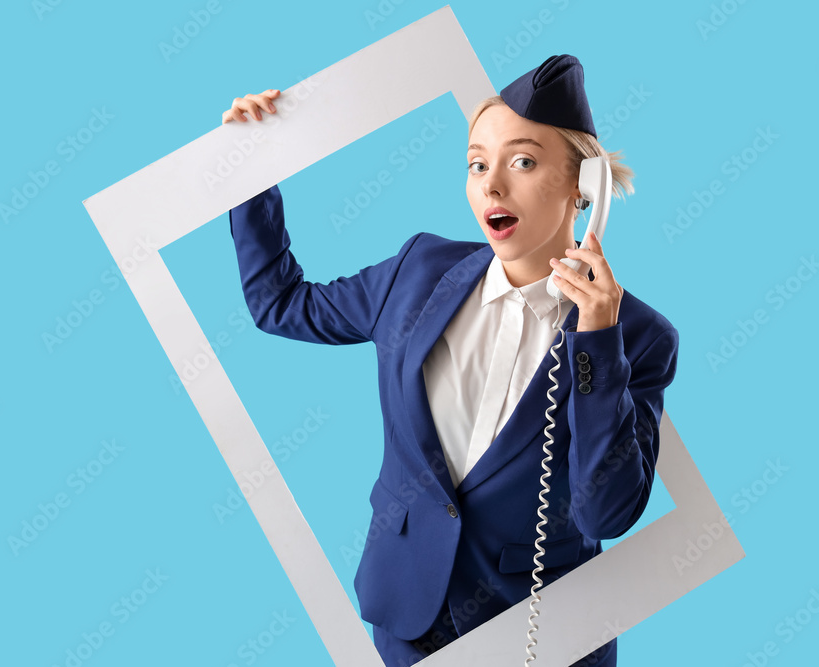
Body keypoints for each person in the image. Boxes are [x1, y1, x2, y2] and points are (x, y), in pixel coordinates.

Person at [222, 55, 678, 667]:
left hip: (541, 641)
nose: (491, 186)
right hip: (408, 625)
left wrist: (595, 338)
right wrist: (251, 175)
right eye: (476, 164)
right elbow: (280, 304)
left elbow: (607, 511)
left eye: (522, 161)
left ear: (583, 187)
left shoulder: (640, 337)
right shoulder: (417, 272)